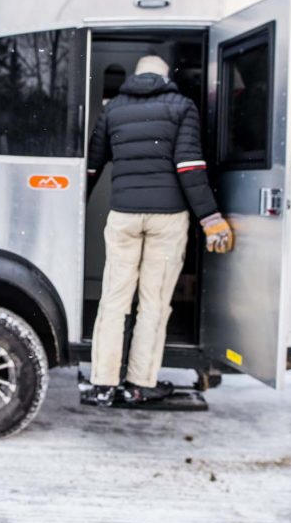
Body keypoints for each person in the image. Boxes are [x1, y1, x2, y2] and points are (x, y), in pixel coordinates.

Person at [85, 54, 233, 406]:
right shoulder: (182, 107)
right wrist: (210, 219)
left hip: (124, 216)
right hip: (168, 218)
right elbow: (189, 167)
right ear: (166, 77)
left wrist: (77, 205)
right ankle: (139, 383)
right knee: (153, 303)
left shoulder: (113, 108)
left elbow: (92, 165)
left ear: (136, 75)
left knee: (113, 299)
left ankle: (103, 382)